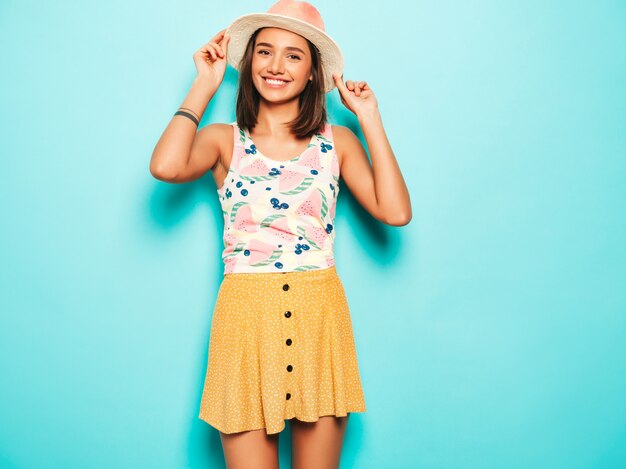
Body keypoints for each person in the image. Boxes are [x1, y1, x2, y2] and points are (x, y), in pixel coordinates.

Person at [150, 0, 411, 467]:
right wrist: (203, 84)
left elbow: (395, 213)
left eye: (293, 55)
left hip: (318, 316)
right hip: (245, 319)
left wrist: (369, 117)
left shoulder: (338, 142)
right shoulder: (222, 140)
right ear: (249, 62)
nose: (275, 66)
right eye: (265, 52)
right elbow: (165, 166)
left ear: (313, 71)